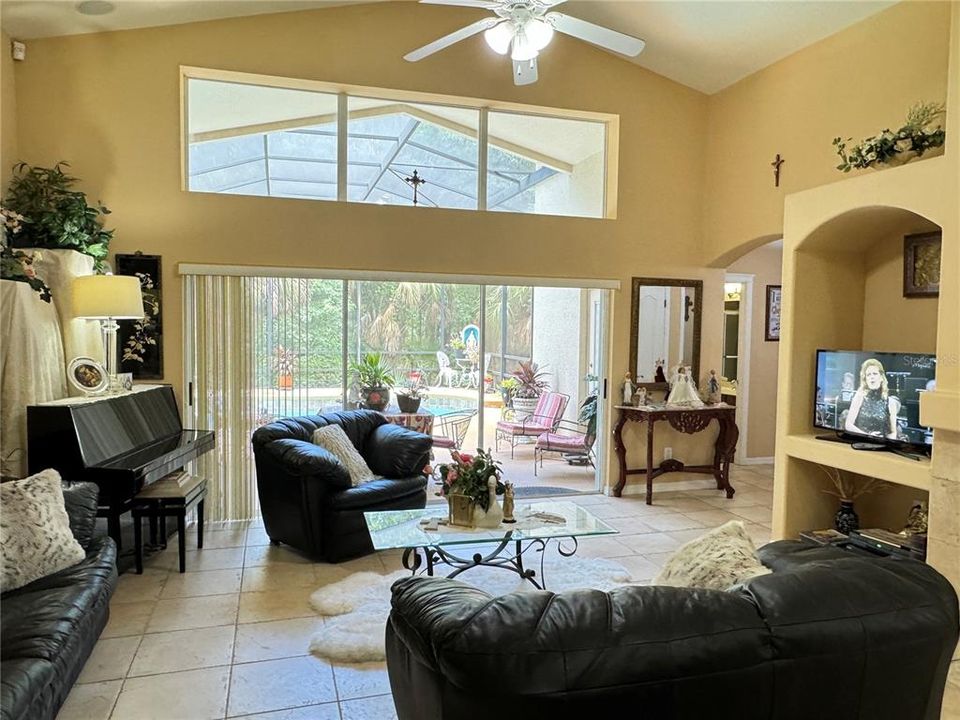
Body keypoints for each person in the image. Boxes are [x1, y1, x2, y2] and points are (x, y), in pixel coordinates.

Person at [844, 358, 899, 439]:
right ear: (865, 379)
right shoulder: (859, 397)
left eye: (875, 374)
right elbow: (848, 425)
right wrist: (868, 436)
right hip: (861, 442)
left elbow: (893, 432)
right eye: (868, 374)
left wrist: (886, 443)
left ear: (881, 377)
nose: (871, 377)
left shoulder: (890, 403)